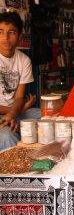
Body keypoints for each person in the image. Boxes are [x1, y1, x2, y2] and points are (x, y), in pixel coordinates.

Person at [0, 12, 40, 150]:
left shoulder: (24, 60)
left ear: (20, 36)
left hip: (16, 112)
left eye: (11, 32)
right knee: (7, 135)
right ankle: (17, 169)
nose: (5, 38)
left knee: (48, 118)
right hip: (10, 113)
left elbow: (19, 97)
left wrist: (14, 112)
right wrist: (17, 110)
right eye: (1, 32)